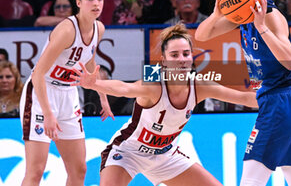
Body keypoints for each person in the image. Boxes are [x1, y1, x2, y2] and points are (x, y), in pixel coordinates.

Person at [71, 23, 258, 186]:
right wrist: (95, 84)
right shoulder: (154, 82)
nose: (182, 59)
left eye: (186, 54)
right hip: (128, 152)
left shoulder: (199, 85)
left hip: (165, 155)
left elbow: (243, 98)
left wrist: (278, 96)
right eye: (174, 55)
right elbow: (124, 88)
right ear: (164, 60)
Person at [195, 0, 291, 186]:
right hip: (284, 103)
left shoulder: (269, 15)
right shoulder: (241, 17)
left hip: (281, 101)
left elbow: (290, 61)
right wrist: (216, 12)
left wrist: (262, 28)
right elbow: (202, 35)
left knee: (251, 181)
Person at [19, 0, 114, 186]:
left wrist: (103, 97)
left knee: (79, 169)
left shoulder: (99, 28)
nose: (96, 3)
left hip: (68, 94)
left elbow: (90, 63)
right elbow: (38, 74)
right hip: (41, 93)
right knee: (36, 171)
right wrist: (48, 113)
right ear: (78, 3)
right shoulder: (67, 30)